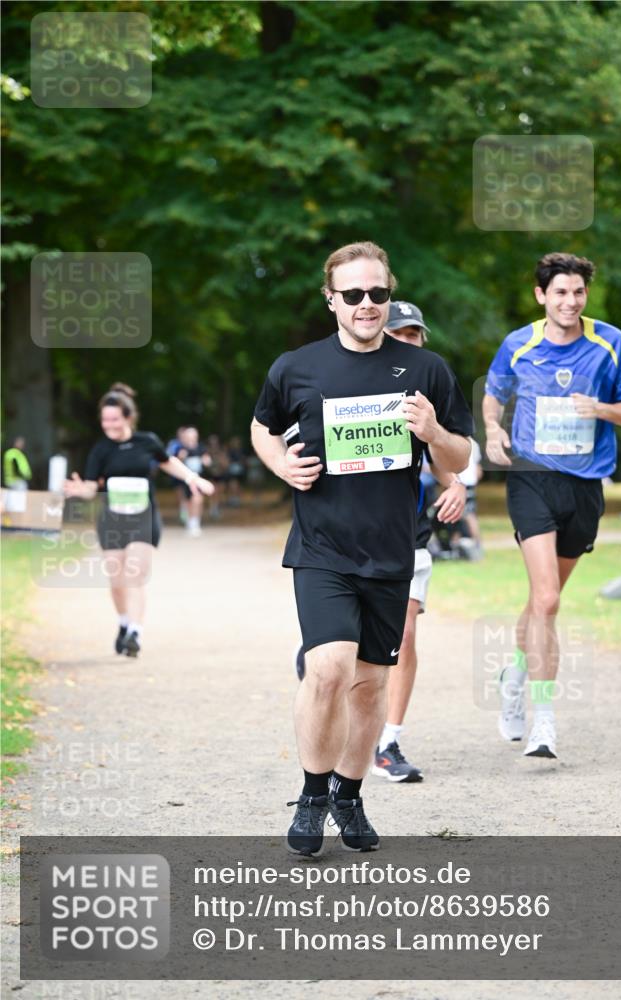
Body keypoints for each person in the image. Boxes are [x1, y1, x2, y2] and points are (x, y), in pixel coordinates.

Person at [251, 241, 473, 856]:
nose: (367, 304)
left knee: (372, 684)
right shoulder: (296, 367)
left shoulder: (426, 370)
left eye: (377, 293)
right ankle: (311, 796)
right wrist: (281, 466)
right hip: (322, 546)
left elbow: (460, 455)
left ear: (388, 293)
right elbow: (262, 427)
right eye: (353, 295)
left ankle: (349, 795)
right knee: (327, 668)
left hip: (391, 552)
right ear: (332, 301)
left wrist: (432, 432)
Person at [483, 253, 621, 759]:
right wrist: (492, 429)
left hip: (585, 487)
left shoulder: (611, 344)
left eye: (577, 292)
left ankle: (513, 674)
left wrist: (600, 408)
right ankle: (544, 722)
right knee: (548, 599)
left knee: (541, 602)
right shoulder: (519, 344)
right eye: (559, 293)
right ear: (541, 296)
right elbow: (493, 396)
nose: (569, 302)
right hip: (531, 478)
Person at [372, 301, 467, 783]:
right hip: (350, 542)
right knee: (349, 646)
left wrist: (457, 485)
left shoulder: (425, 395)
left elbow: (444, 458)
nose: (409, 344)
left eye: (416, 336)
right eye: (399, 335)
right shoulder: (353, 388)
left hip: (409, 540)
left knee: (404, 636)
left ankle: (388, 741)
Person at [63, 384, 214, 658]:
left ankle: (135, 632)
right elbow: (89, 487)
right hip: (112, 518)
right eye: (105, 419)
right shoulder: (101, 449)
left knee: (136, 574)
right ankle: (123, 622)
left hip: (143, 515)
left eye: (114, 419)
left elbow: (167, 462)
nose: (108, 424)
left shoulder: (147, 441)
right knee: (117, 578)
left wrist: (193, 478)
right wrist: (79, 491)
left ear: (128, 417)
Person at [447, 438, 484, 559]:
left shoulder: (454, 439)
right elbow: (478, 469)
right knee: (460, 513)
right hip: (469, 483)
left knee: (467, 514)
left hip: (461, 482)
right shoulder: (475, 443)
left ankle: (477, 544)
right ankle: (456, 544)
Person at [176, 426, 211, 537]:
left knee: (198, 499)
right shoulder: (182, 449)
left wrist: (206, 461)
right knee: (188, 501)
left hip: (199, 479)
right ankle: (191, 521)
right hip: (186, 480)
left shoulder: (201, 448)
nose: (191, 438)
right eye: (188, 436)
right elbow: (176, 463)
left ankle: (195, 522)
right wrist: (181, 457)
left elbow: (207, 460)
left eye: (193, 436)